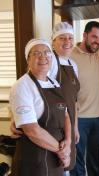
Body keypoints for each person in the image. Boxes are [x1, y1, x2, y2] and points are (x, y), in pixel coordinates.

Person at [9, 39, 71, 176]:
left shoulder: (54, 83)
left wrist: (68, 141)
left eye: (47, 52)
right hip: (34, 159)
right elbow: (32, 130)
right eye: (36, 53)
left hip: (56, 156)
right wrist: (61, 151)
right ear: (28, 59)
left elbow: (65, 115)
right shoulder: (22, 86)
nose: (43, 57)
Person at [70, 21, 99, 176]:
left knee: (96, 159)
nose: (97, 41)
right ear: (84, 35)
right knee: (77, 161)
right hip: (80, 118)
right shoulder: (71, 56)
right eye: (94, 37)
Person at [51, 22, 80, 174]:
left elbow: (73, 99)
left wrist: (75, 126)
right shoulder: (49, 63)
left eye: (70, 37)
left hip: (70, 122)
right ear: (53, 41)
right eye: (62, 38)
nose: (67, 41)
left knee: (67, 164)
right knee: (57, 163)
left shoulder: (73, 65)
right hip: (55, 122)